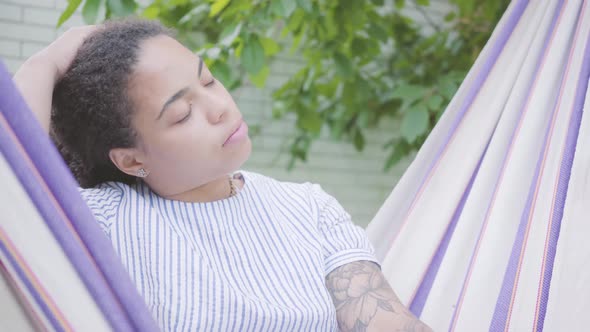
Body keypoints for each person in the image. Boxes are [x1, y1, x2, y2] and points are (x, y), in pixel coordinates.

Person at [13, 19, 431, 332]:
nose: (219, 107)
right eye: (182, 114)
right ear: (130, 159)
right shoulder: (102, 222)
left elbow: (382, 318)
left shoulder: (308, 207)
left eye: (208, 80)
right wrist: (45, 64)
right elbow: (11, 188)